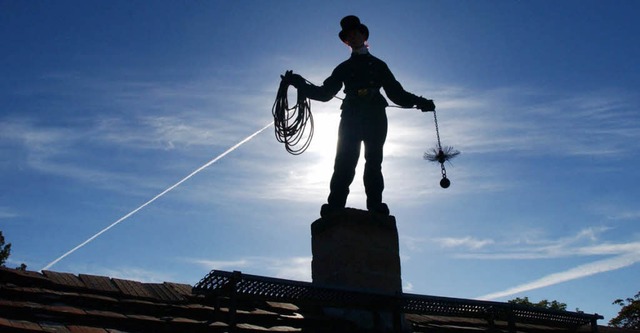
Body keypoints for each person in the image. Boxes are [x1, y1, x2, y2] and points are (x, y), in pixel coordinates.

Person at [284, 15, 435, 217]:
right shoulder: (344, 68)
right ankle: (336, 204)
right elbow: (325, 93)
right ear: (346, 42)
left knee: (373, 161)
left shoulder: (379, 65)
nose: (352, 38)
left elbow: (396, 93)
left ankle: (375, 204)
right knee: (344, 161)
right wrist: (300, 84)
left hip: (375, 117)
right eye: (348, 36)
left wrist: (419, 101)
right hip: (351, 117)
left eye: (355, 33)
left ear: (364, 35)